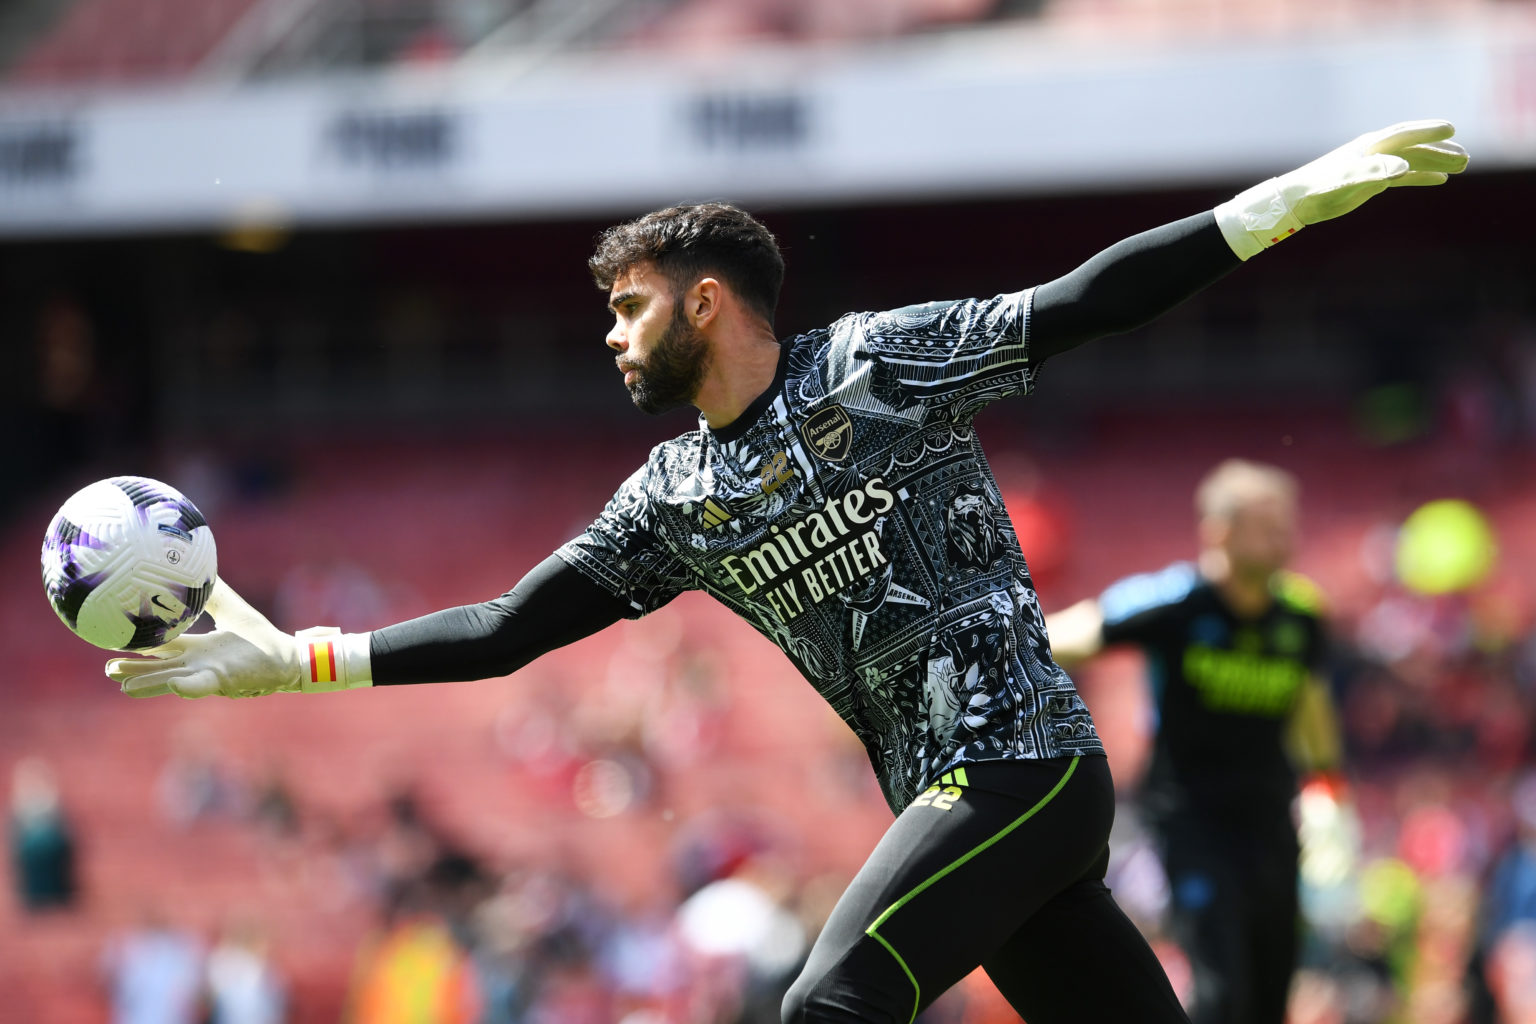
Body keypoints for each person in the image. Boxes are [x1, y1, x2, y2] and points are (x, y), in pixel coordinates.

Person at [109, 120, 1466, 1022]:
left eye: (627, 308)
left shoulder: (878, 364)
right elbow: (510, 629)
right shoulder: (670, 498)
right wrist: (292, 660)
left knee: (827, 1009)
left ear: (707, 300)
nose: (613, 340)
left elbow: (1083, 301)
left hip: (1020, 766)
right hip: (960, 801)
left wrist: (1278, 206)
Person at [1045, 458, 1348, 1024]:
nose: (1286, 538)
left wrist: (1329, 789)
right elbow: (1067, 634)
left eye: (1288, 523)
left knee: (1268, 997)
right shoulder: (1175, 602)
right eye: (1269, 525)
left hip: (1271, 827)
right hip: (1193, 823)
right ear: (1220, 532)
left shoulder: (1300, 616)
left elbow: (1309, 706)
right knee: (1219, 991)